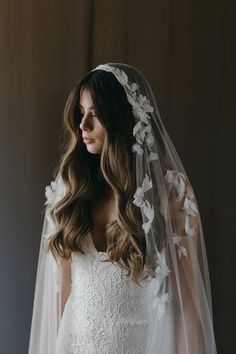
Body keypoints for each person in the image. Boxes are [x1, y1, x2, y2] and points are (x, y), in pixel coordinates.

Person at [28, 63, 217, 354]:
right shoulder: (72, 191)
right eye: (81, 112)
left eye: (96, 113)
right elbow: (61, 298)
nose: (83, 125)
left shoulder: (169, 195)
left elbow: (187, 309)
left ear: (121, 118)